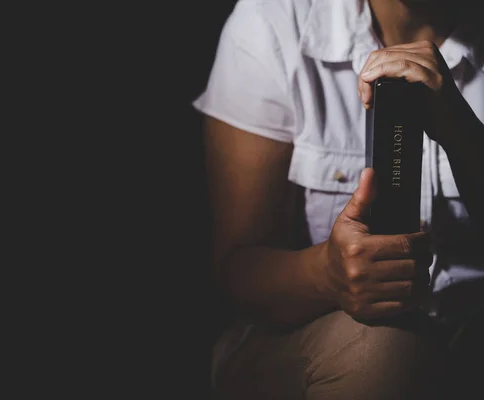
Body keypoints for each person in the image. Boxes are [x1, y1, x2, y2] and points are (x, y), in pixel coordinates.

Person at [192, 0, 484, 398]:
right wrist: (328, 275)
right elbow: (236, 272)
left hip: (469, 335)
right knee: (386, 355)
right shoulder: (276, 20)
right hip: (302, 336)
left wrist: (464, 136)